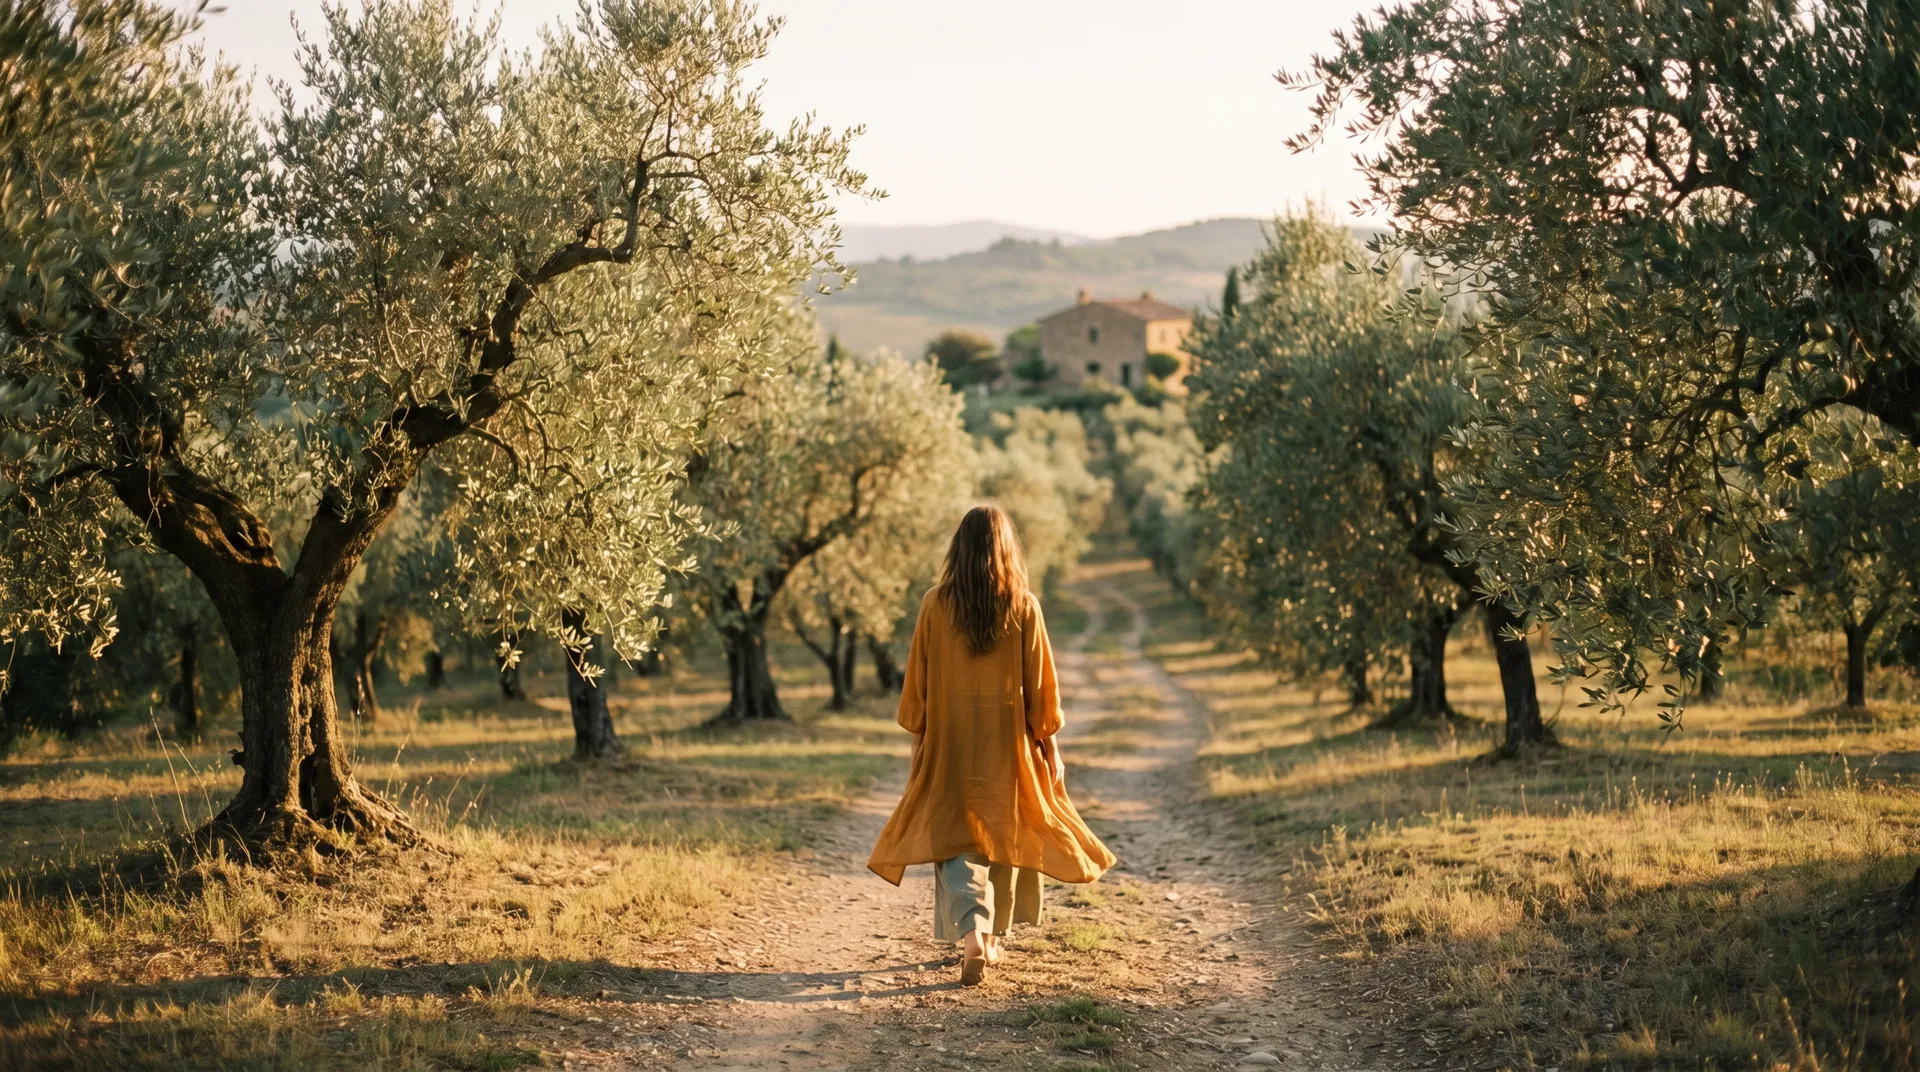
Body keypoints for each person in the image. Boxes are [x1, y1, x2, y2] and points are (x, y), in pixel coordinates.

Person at [867, 505, 1116, 985]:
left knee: (955, 836)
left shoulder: (934, 603)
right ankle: (992, 935)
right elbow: (1042, 688)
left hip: (950, 742)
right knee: (1004, 833)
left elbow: (915, 685)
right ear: (1006, 549)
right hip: (1008, 745)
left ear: (958, 548)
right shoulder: (1024, 605)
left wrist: (918, 748)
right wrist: (1051, 747)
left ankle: (975, 933)